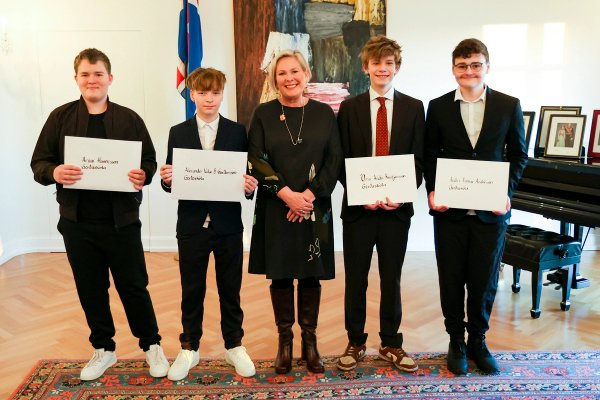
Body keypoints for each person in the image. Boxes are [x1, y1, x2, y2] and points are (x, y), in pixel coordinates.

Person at [30, 48, 169, 381]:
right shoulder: (60, 118)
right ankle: (104, 349)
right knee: (90, 288)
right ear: (76, 78)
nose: (91, 80)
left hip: (121, 221)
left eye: (98, 74)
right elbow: (39, 163)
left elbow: (149, 161)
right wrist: (54, 172)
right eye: (85, 74)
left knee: (134, 286)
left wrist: (144, 174)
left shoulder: (130, 119)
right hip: (77, 222)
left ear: (110, 78)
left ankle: (151, 345)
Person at [424, 38, 528, 375]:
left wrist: (506, 193)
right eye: (462, 65)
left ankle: (478, 341)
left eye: (475, 65)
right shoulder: (438, 107)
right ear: (453, 69)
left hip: (491, 213)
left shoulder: (508, 105)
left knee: (484, 280)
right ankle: (456, 340)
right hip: (449, 212)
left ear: (487, 67)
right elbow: (429, 154)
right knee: (451, 278)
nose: (468, 71)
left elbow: (519, 155)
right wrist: (433, 191)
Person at [159, 67, 258, 380]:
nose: (209, 99)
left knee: (231, 290)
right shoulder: (178, 132)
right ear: (192, 94)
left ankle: (234, 345)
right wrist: (166, 179)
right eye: (202, 92)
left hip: (228, 224)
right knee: (191, 289)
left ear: (222, 93)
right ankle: (190, 347)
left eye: (215, 92)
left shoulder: (237, 132)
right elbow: (171, 180)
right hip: (191, 225)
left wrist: (249, 186)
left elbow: (246, 178)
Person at [247, 50, 342, 374]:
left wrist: (308, 196)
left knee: (311, 275)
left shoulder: (324, 113)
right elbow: (256, 159)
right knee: (282, 274)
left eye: (294, 71)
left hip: (314, 207)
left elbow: (334, 160)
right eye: (282, 73)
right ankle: (285, 342)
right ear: (274, 80)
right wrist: (288, 196)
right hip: (277, 207)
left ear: (306, 74)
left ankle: (310, 342)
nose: (289, 78)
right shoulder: (263, 114)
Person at [336, 35, 424, 373]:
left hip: (396, 211)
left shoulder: (414, 108)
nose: (382, 69)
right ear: (365, 67)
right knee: (356, 278)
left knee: (392, 278)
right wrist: (361, 194)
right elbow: (340, 159)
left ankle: (391, 343)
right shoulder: (349, 108)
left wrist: (401, 194)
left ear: (397, 67)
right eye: (376, 63)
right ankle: (355, 341)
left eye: (389, 63)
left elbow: (419, 160)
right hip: (358, 212)